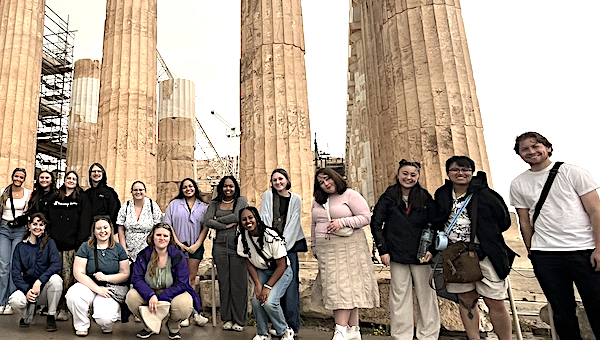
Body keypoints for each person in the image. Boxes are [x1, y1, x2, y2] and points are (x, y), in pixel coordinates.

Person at [509, 132, 600, 340]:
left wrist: (599, 247)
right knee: (561, 313)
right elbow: (524, 221)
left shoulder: (573, 172)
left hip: (583, 250)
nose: (531, 151)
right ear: (519, 154)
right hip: (546, 254)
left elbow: (596, 211)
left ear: (548, 148)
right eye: (525, 149)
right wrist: (532, 251)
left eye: (536, 146)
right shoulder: (518, 183)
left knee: (597, 306)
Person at [433, 156, 515, 340]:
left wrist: (486, 238)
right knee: (466, 299)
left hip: (484, 254)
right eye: (455, 169)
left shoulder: (486, 194)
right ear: (448, 173)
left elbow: (504, 221)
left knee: (495, 300)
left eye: (465, 169)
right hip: (455, 255)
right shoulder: (442, 194)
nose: (460, 173)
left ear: (472, 171)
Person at [370, 160, 439, 340]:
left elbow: (435, 224)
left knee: (427, 295)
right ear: (399, 174)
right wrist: (382, 250)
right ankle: (401, 335)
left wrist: (432, 249)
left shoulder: (424, 197)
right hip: (396, 252)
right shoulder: (389, 196)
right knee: (399, 295)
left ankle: (428, 335)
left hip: (422, 253)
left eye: (413, 174)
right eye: (405, 173)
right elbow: (376, 223)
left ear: (418, 177)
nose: (408, 177)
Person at [311, 168, 380, 340]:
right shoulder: (318, 200)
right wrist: (314, 246)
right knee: (342, 287)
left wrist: (342, 222)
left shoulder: (350, 195)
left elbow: (366, 217)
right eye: (321, 182)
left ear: (335, 177)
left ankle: (340, 331)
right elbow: (314, 224)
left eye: (327, 179)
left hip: (349, 246)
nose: (326, 184)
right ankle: (353, 330)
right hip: (326, 248)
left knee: (342, 287)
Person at [126, 223, 202, 339]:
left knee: (184, 304)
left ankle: (173, 326)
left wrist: (161, 299)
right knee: (131, 297)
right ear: (152, 237)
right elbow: (136, 279)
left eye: (165, 236)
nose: (162, 238)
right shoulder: (144, 255)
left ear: (170, 238)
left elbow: (182, 283)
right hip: (150, 291)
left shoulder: (178, 256)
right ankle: (148, 326)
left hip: (171, 292)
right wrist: (150, 295)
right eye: (158, 235)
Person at [259, 168, 306, 335]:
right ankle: (277, 325)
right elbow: (264, 218)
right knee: (272, 284)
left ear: (287, 180)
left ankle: (292, 324)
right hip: (270, 247)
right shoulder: (267, 196)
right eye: (274, 180)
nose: (278, 182)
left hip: (289, 247)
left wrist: (282, 246)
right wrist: (271, 243)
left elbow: (294, 222)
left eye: (281, 179)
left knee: (291, 286)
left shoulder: (296, 199)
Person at [66, 216, 129, 336]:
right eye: (98, 228)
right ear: (94, 231)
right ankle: (81, 325)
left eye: (105, 228)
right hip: (88, 285)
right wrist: (97, 289)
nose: (102, 231)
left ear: (110, 229)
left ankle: (107, 324)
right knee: (73, 295)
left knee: (105, 318)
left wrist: (106, 278)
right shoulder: (85, 247)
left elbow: (125, 274)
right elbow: (78, 273)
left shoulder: (118, 248)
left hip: (110, 287)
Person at [237, 206, 295, 340]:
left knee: (270, 302)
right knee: (256, 300)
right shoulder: (242, 238)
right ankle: (263, 333)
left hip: (281, 271)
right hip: (261, 271)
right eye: (244, 219)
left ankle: (284, 330)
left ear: (257, 218)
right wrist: (257, 284)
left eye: (250, 218)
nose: (248, 222)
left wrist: (267, 287)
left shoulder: (271, 235)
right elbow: (249, 263)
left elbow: (281, 265)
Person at [45, 171, 92, 321]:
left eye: (74, 179)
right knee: (54, 276)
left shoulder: (81, 198)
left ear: (77, 182)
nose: (71, 181)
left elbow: (85, 221)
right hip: (54, 244)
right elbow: (47, 218)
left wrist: (80, 242)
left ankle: (64, 307)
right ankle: (52, 306)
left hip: (72, 245)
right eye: (68, 178)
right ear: (64, 181)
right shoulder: (54, 197)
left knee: (68, 276)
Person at [204, 175, 249, 331]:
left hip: (237, 245)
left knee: (239, 283)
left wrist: (218, 220)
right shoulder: (214, 203)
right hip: (220, 246)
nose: (228, 189)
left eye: (231, 186)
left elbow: (238, 216)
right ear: (221, 188)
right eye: (225, 186)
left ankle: (240, 320)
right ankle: (227, 318)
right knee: (224, 283)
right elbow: (207, 220)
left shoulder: (241, 201)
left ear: (235, 187)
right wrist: (224, 225)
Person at [164, 178, 209, 327]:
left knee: (191, 279)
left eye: (190, 186)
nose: (188, 189)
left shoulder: (203, 207)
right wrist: (176, 242)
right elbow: (168, 225)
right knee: (178, 279)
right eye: (185, 187)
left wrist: (197, 245)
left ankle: (190, 312)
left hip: (195, 246)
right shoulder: (174, 204)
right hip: (177, 246)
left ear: (195, 188)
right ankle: (181, 313)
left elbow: (205, 227)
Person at [8, 213, 62, 331]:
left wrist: (39, 281)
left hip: (44, 290)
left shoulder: (49, 243)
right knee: (14, 300)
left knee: (56, 280)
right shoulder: (20, 247)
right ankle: (26, 315)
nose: (38, 227)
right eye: (35, 224)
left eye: (41, 225)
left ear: (44, 227)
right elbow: (16, 273)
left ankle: (51, 315)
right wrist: (28, 291)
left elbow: (56, 264)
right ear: (29, 225)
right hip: (28, 289)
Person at [0, 167, 32, 315]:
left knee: (14, 265)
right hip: (4, 229)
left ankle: (11, 300)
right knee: (3, 266)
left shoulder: (28, 194)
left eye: (21, 177)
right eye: (16, 176)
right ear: (12, 177)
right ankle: (2, 301)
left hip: (19, 230)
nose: (18, 179)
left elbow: (29, 213)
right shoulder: (3, 192)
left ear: (24, 179)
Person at [117, 181, 163, 262]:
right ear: (131, 192)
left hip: (149, 250)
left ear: (145, 192)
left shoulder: (153, 206)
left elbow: (159, 227)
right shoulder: (126, 206)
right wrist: (123, 249)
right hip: (129, 251)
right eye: (135, 190)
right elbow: (120, 228)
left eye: (141, 190)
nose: (138, 192)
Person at [84, 163, 120, 230]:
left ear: (103, 174)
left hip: (104, 231)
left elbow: (115, 213)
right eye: (94, 171)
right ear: (90, 175)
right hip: (88, 232)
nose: (96, 173)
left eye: (99, 171)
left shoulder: (110, 192)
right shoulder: (86, 193)